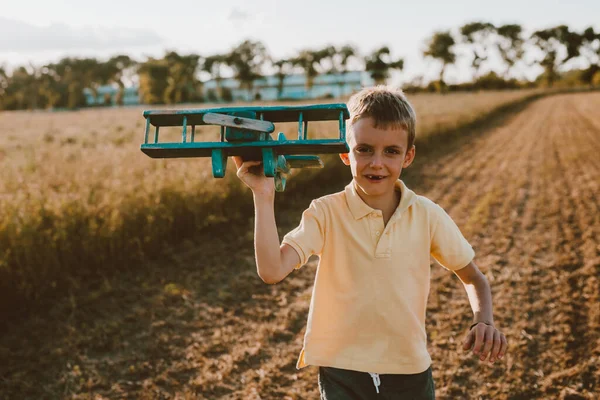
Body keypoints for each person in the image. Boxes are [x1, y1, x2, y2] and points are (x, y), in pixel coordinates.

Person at [233, 86, 508, 399]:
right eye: (364, 149)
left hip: (409, 370)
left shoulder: (427, 215)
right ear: (345, 153)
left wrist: (482, 320)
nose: (377, 162)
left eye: (391, 151)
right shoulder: (326, 212)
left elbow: (474, 278)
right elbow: (272, 270)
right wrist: (263, 194)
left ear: (408, 156)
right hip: (342, 371)